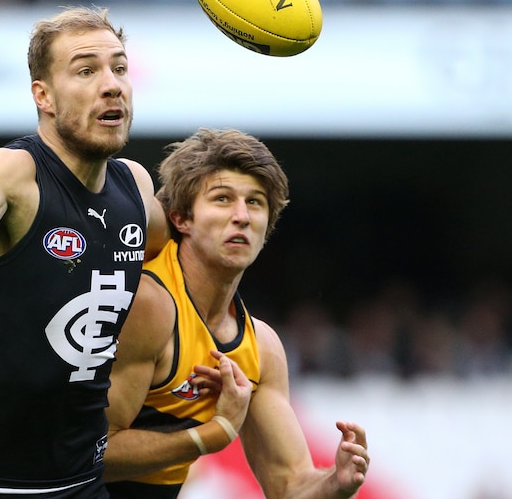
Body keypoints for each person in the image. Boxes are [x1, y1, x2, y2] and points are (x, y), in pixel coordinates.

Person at [0, 6, 167, 499]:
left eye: (119, 68)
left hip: (80, 485)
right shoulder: (13, 173)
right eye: (87, 70)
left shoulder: (134, 186)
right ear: (42, 95)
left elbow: (169, 241)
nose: (111, 85)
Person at [103, 128, 370, 499]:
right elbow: (88, 454)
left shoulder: (261, 348)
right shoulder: (150, 302)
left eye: (256, 202)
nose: (242, 216)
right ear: (181, 218)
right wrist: (211, 434)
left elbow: (289, 485)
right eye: (223, 199)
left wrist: (334, 483)